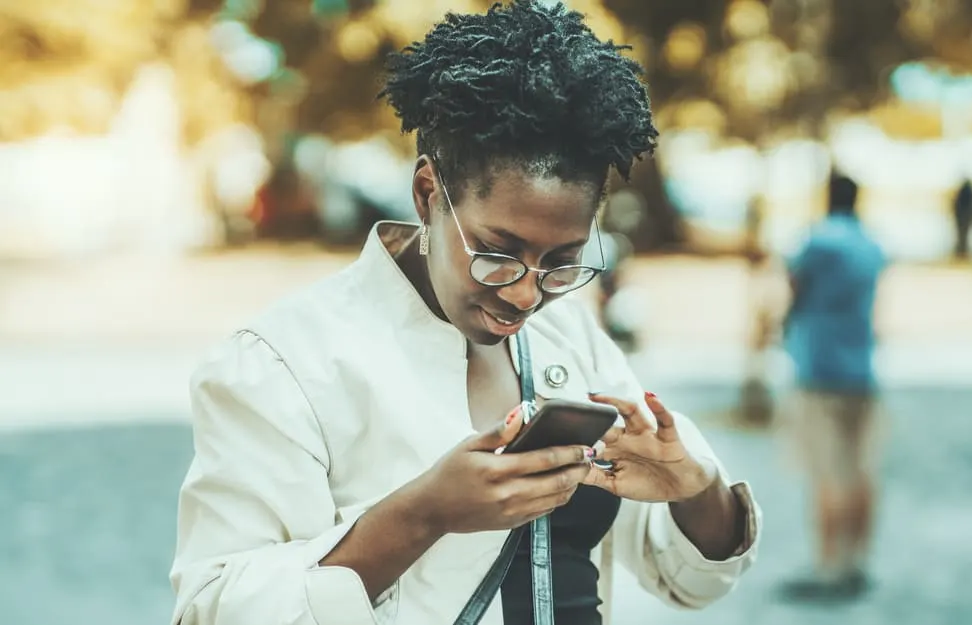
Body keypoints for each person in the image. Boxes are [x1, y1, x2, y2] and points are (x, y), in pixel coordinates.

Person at [169, 3, 760, 624]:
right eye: (497, 253)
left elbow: (690, 582)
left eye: (563, 260)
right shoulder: (284, 362)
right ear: (428, 193)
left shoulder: (570, 337)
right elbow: (214, 609)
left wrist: (696, 488)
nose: (527, 295)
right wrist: (424, 514)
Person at [779, 172, 886, 601]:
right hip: (861, 370)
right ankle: (857, 560)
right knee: (862, 471)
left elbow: (795, 289)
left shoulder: (817, 241)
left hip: (818, 370)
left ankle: (827, 566)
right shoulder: (871, 243)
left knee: (826, 472)